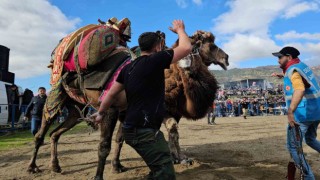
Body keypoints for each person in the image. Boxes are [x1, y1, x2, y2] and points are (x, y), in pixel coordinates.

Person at [92, 20, 192, 179]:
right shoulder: (156, 60)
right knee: (166, 174)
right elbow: (186, 48)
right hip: (144, 132)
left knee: (160, 159)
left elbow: (110, 94)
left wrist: (100, 113)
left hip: (132, 130)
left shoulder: (127, 68)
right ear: (158, 47)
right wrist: (180, 30)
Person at [272, 46, 320, 180]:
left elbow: (299, 90)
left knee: (293, 147)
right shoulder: (301, 66)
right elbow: (304, 81)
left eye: (280, 57)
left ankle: (308, 177)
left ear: (289, 57)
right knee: (310, 139)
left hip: (303, 114)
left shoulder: (293, 71)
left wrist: (290, 111)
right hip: (316, 112)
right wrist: (281, 75)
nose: (278, 60)